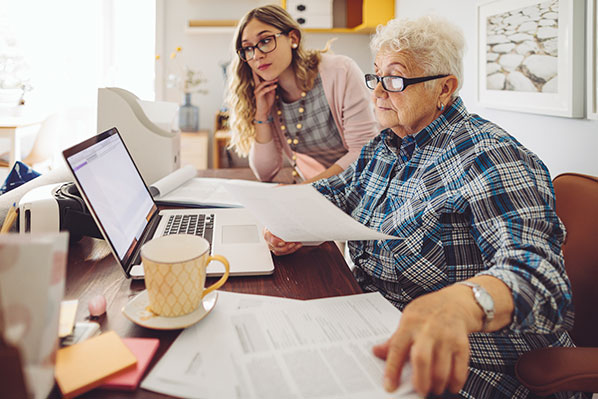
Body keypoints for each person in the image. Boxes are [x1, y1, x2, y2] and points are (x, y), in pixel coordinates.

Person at [264, 15, 581, 399]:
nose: (378, 93)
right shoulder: (387, 146)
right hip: (376, 333)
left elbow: (541, 275)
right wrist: (289, 218)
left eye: (395, 80)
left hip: (475, 367)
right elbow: (337, 191)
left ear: (444, 88)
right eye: (376, 76)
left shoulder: (492, 156)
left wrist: (465, 303)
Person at [226, 5, 378, 183]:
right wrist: (262, 115)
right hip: (317, 192)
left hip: (361, 186)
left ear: (293, 38)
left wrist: (304, 189)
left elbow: (364, 152)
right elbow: (265, 172)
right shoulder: (270, 97)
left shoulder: (341, 71)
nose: (257, 55)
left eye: (265, 41)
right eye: (248, 48)